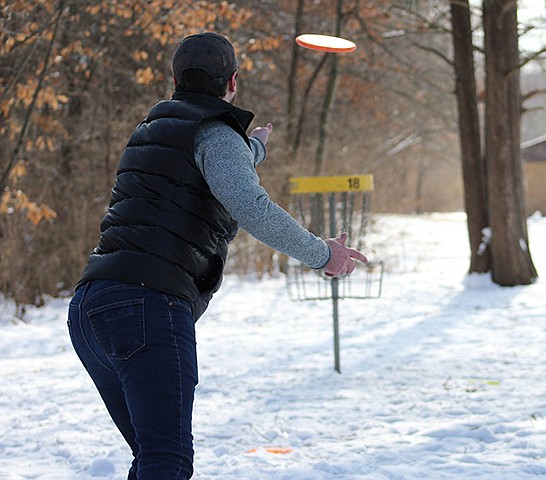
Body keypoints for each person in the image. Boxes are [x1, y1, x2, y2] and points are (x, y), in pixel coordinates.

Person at [67, 32, 368, 480]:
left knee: (153, 457)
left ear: (174, 80)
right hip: (149, 305)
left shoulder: (151, 130)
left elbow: (216, 164)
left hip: (91, 309)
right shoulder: (216, 136)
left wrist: (256, 148)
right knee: (166, 461)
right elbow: (250, 206)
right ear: (233, 81)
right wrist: (323, 253)